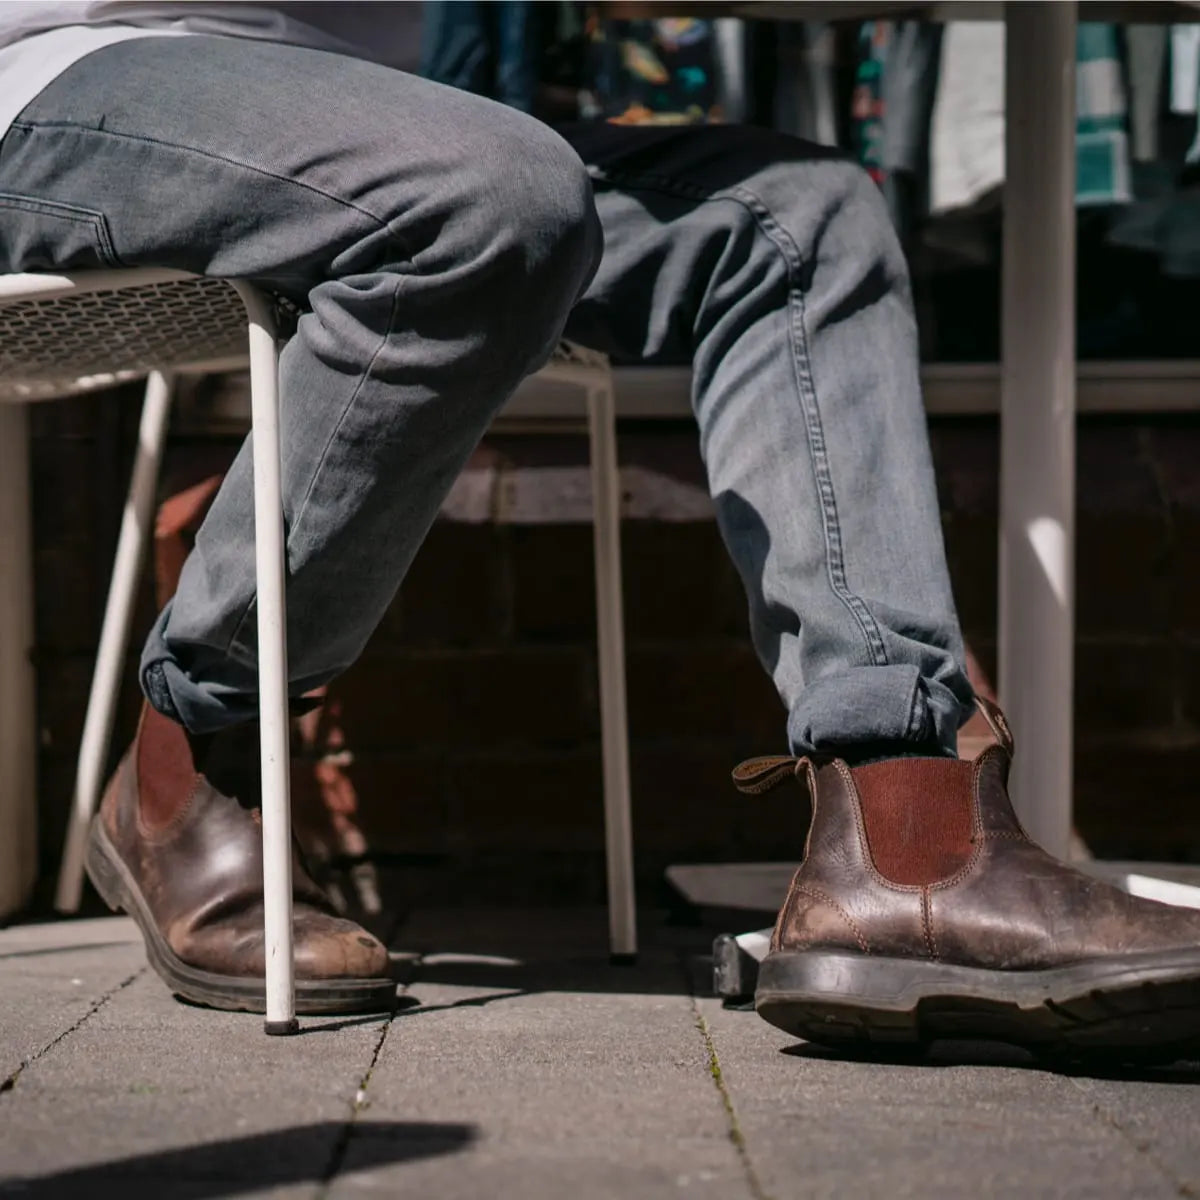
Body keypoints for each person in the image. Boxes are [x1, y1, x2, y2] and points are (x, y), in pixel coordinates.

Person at [3, 2, 1199, 1058]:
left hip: (359, 100)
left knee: (799, 217)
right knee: (480, 198)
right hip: (63, 80)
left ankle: (911, 840)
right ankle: (191, 755)